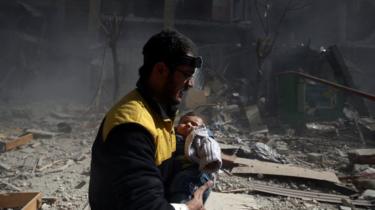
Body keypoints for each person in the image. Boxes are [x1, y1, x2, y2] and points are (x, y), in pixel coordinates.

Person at [88, 29, 212, 210]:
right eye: (185, 74)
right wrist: (187, 208)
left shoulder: (159, 114)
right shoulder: (132, 127)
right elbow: (143, 205)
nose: (190, 84)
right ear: (161, 70)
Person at [169, 112, 221, 204]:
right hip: (174, 172)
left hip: (195, 174)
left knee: (183, 183)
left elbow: (210, 150)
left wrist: (211, 161)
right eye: (184, 122)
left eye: (194, 124)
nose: (188, 125)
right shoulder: (172, 137)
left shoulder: (200, 138)